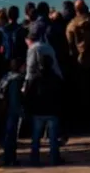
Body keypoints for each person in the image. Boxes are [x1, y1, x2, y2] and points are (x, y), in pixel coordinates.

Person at [25, 28, 65, 167]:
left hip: (39, 111)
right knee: (53, 137)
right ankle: (55, 158)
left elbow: (29, 88)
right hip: (52, 110)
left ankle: (34, 159)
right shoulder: (55, 78)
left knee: (35, 137)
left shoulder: (35, 78)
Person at [0, 58, 25, 166]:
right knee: (12, 135)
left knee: (8, 135)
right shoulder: (19, 79)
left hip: (6, 110)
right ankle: (11, 158)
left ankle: (7, 157)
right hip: (15, 110)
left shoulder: (6, 78)